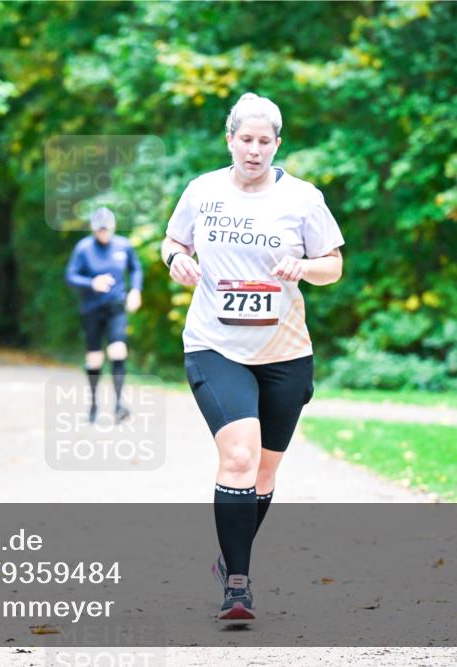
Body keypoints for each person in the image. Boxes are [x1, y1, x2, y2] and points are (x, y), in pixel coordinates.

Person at [161, 92, 344, 621]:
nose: (255, 150)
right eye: (246, 140)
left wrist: (303, 267)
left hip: (285, 352)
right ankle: (238, 585)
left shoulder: (304, 199)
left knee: (263, 475)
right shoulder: (203, 191)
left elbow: (332, 265)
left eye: (266, 141)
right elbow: (172, 242)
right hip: (214, 344)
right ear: (230, 140)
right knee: (238, 456)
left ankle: (230, 554)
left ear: (277, 145)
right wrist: (176, 260)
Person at [65, 206, 143, 423]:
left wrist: (135, 290)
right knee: (94, 358)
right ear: (92, 229)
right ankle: (93, 405)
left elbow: (136, 269)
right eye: (99, 229)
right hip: (91, 309)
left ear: (113, 226)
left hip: (116, 307)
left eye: (106, 229)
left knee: (118, 350)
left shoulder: (123, 246)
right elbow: (70, 276)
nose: (103, 232)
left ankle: (119, 405)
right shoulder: (83, 249)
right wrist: (92, 282)